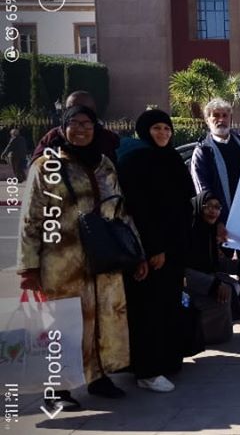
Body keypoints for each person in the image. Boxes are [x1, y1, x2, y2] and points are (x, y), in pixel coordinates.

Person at [18, 105, 148, 411]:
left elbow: (121, 212)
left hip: (104, 258)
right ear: (62, 128)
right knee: (63, 324)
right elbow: (31, 218)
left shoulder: (104, 164)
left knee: (103, 319)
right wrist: (29, 267)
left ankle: (98, 377)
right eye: (74, 123)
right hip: (62, 261)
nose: (81, 129)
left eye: (87, 124)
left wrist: (137, 253)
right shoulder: (47, 165)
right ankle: (56, 388)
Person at [116, 109, 195, 393]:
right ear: (145, 131)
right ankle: (147, 370)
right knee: (148, 310)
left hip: (174, 250)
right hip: (153, 251)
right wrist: (154, 248)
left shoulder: (170, 158)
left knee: (168, 306)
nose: (163, 133)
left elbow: (183, 203)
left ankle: (166, 360)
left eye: (166, 128)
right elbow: (140, 210)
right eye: (156, 128)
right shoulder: (136, 161)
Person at [190, 98, 240, 323]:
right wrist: (216, 222)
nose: (221, 120)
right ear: (207, 119)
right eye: (215, 115)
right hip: (219, 218)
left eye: (224, 115)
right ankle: (224, 311)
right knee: (219, 265)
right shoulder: (203, 151)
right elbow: (203, 189)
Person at [183, 190, 240, 345]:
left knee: (232, 285)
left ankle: (211, 332)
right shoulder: (188, 231)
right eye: (208, 206)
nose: (213, 211)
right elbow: (182, 270)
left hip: (202, 278)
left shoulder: (208, 232)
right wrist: (214, 285)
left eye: (217, 207)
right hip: (186, 284)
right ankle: (201, 334)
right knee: (223, 290)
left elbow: (218, 263)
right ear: (198, 207)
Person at [33, 91, 121, 163]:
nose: (77, 113)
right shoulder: (52, 138)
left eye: (84, 110)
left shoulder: (108, 139)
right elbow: (36, 168)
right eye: (70, 109)